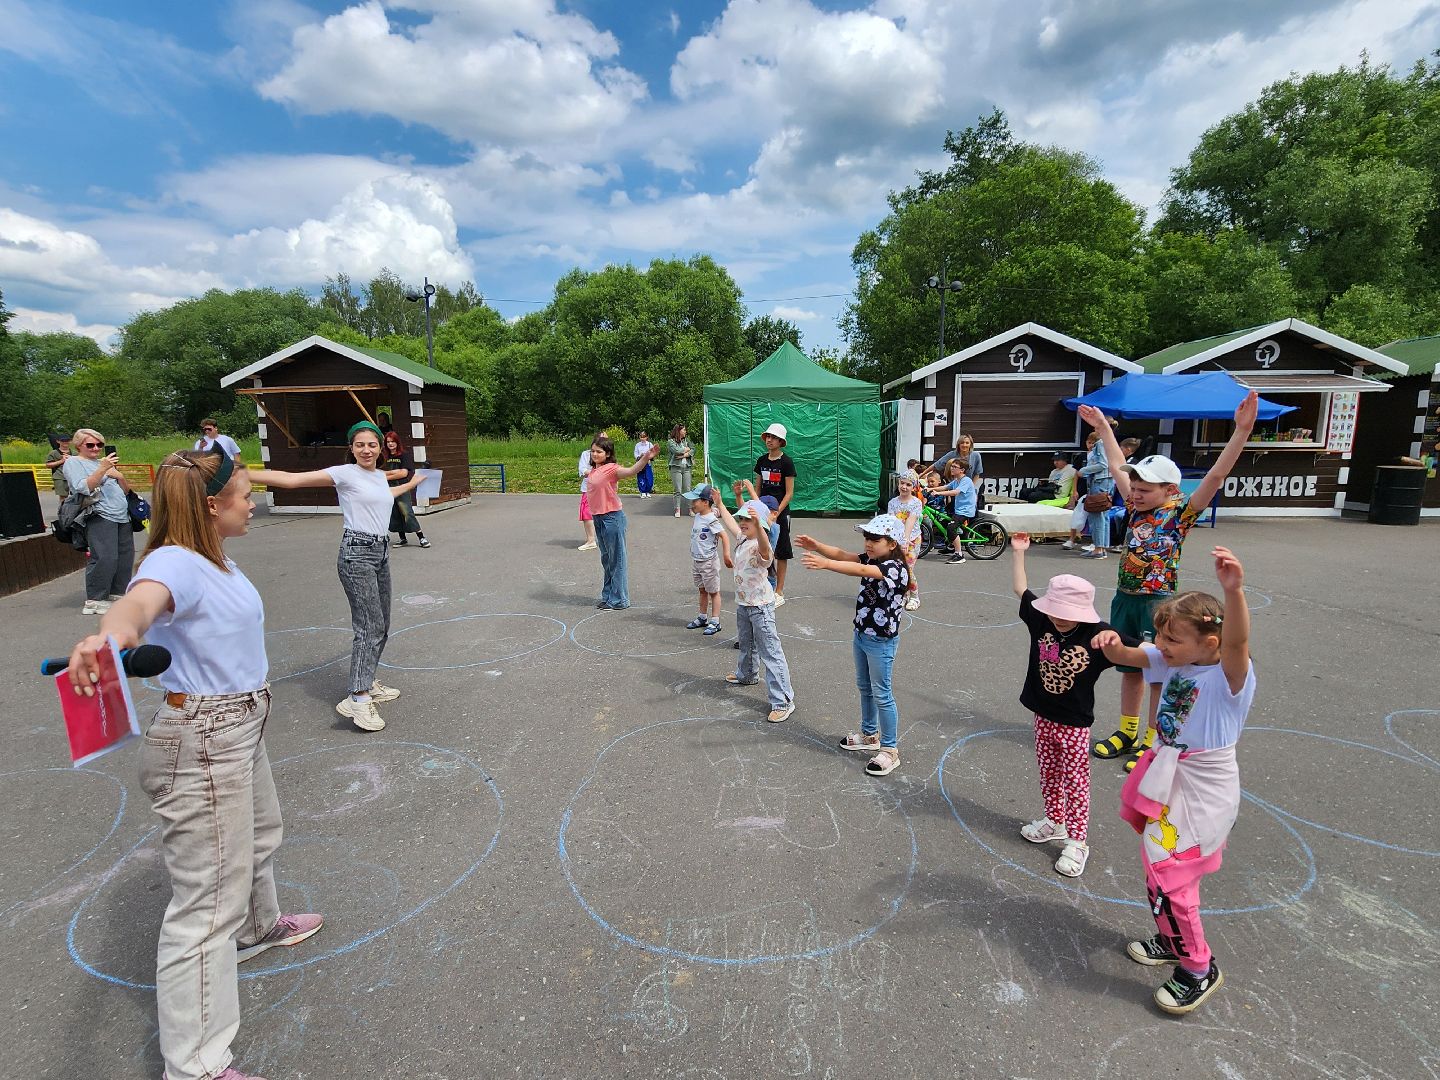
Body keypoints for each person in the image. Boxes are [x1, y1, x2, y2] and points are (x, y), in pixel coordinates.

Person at [64, 447, 322, 1080]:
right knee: (205, 907)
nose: (252, 503)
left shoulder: (216, 559)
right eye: (242, 495)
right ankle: (197, 1065)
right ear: (211, 506)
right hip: (205, 737)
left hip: (241, 724)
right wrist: (108, 639)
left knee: (261, 836)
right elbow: (138, 606)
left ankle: (260, 927)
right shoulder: (174, 561)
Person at [1091, 546, 1255, 1015]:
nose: (1163, 646)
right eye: (1161, 636)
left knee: (1172, 875)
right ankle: (1171, 939)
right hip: (1169, 779)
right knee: (1156, 864)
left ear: (1211, 640)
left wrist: (1233, 592)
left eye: (1173, 638)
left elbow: (1239, 644)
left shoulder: (1229, 679)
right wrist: (1110, 644)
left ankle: (1198, 968)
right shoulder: (1174, 662)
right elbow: (1130, 654)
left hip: (1203, 789)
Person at [1079, 394, 1258, 771]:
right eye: (1136, 485)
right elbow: (1116, 465)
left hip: (1157, 602)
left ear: (1171, 491)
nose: (1137, 491)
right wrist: (1102, 428)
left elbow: (1215, 476)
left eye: (1147, 487)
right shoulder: (1133, 506)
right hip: (1125, 598)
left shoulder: (1180, 515)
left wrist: (1241, 432)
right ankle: (1127, 730)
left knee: (1158, 671)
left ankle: (1152, 738)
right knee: (1129, 667)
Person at [250, 421, 424, 732]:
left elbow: (386, 494)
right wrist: (239, 474)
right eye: (360, 445)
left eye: (372, 444)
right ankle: (357, 699)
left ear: (380, 448)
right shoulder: (344, 474)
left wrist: (413, 483)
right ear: (351, 448)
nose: (366, 450)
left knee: (382, 624)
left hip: (380, 551)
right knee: (368, 627)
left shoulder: (375, 477)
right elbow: (290, 480)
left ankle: (367, 682)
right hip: (357, 553)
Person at [1009, 533, 1133, 877]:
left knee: (1076, 781)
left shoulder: (1098, 633)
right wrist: (1019, 553)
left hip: (1075, 724)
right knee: (1049, 774)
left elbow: (1140, 653)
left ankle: (1078, 841)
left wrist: (1120, 646)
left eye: (1069, 614)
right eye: (1057, 611)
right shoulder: (1041, 620)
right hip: (1042, 715)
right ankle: (1055, 821)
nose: (1061, 619)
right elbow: (1021, 590)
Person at [796, 514, 909, 776]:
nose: (868, 544)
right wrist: (818, 546)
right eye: (867, 538)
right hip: (861, 634)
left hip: (881, 641)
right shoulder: (873, 558)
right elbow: (844, 554)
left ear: (892, 543)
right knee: (864, 687)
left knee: (882, 693)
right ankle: (870, 735)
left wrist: (825, 564)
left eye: (875, 539)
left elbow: (859, 570)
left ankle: (890, 749)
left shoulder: (895, 567)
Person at [715, 497, 795, 723]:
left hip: (761, 608)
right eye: (742, 519)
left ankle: (783, 700)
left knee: (771, 651)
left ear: (759, 523)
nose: (742, 523)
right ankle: (747, 674)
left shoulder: (763, 544)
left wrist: (759, 526)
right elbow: (730, 524)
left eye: (747, 520)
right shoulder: (742, 539)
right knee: (747, 644)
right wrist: (720, 504)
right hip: (744, 604)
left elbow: (766, 553)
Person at [63, 428, 135, 615]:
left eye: (99, 445)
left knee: (124, 556)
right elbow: (82, 487)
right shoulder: (74, 462)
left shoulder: (104, 463)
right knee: (104, 556)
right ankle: (95, 598)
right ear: (79, 445)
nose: (95, 448)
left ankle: (117, 592)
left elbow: (126, 491)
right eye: (90, 445)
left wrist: (120, 476)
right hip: (98, 513)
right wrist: (103, 469)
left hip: (121, 514)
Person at [586, 434, 660, 610]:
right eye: (593, 451)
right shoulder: (595, 470)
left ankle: (619, 599)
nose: (595, 454)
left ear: (608, 453)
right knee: (606, 559)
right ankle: (608, 595)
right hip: (599, 518)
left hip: (612, 517)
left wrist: (645, 457)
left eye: (599, 451)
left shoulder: (611, 469)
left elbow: (632, 471)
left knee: (616, 559)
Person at [754, 422, 796, 606]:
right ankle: (764, 586)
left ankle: (779, 591)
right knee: (762, 549)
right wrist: (757, 508)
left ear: (781, 441)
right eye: (767, 437)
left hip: (780, 513)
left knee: (781, 551)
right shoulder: (761, 461)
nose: (769, 440)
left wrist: (777, 512)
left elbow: (789, 493)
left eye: (773, 437)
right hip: (763, 513)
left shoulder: (786, 462)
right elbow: (757, 488)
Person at [682, 484, 729, 636]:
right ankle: (702, 617)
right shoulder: (699, 515)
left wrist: (726, 555)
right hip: (697, 560)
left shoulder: (711, 519)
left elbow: (724, 536)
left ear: (705, 502)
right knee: (702, 590)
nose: (692, 504)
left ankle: (715, 621)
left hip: (709, 561)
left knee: (713, 592)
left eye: (695, 501)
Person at [382, 429, 429, 548]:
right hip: (388, 488)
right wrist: (392, 472)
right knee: (395, 512)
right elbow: (378, 472)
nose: (390, 444)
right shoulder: (384, 456)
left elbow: (403, 473)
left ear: (397, 442)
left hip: (402, 486)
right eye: (388, 442)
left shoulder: (404, 455)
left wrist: (386, 474)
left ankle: (421, 537)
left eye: (392, 441)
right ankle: (402, 539)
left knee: (407, 511)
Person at [887, 470, 924, 610]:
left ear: (913, 487)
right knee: (897, 569)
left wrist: (905, 540)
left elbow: (911, 520)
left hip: (912, 540)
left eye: (908, 484)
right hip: (896, 540)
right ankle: (903, 595)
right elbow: (891, 522)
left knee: (908, 569)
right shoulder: (892, 502)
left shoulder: (916, 503)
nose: (904, 487)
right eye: (902, 483)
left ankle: (915, 597)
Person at [1076, 426, 1113, 559]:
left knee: (1096, 514)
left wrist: (1084, 470)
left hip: (1099, 482)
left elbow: (1102, 464)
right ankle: (1102, 548)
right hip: (1107, 482)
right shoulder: (1110, 441)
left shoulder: (1101, 443)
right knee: (1104, 515)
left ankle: (1098, 549)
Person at [934, 458, 977, 564]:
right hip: (958, 510)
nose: (951, 468)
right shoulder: (956, 480)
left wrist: (938, 494)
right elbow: (946, 487)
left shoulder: (966, 480)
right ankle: (951, 546)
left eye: (954, 467)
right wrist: (930, 489)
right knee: (943, 522)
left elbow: (955, 492)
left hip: (965, 511)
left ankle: (959, 555)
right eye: (951, 466)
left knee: (951, 528)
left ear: (962, 470)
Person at [667, 424, 695, 518]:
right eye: (684, 430)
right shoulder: (671, 441)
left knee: (688, 489)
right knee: (677, 489)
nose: (685, 431)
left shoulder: (687, 440)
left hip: (687, 467)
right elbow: (676, 450)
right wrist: (686, 449)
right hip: (676, 467)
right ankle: (677, 509)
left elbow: (693, 449)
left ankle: (690, 509)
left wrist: (685, 455)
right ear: (678, 431)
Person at [577, 442, 598, 551]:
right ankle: (591, 540)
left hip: (604, 489)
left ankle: (606, 539)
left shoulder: (608, 454)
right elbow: (582, 469)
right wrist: (595, 473)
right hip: (589, 487)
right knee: (586, 513)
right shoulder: (586, 454)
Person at [45, 432, 72, 500]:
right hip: (60, 477)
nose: (65, 442)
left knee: (75, 496)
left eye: (67, 440)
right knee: (63, 497)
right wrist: (61, 461)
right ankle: (62, 510)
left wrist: (72, 459)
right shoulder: (53, 453)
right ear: (58, 441)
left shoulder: (75, 453)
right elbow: (48, 465)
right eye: (63, 440)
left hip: (72, 477)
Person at [633, 431, 656, 499]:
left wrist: (649, 456)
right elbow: (635, 453)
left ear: (646, 437)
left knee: (649, 477)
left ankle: (648, 491)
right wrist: (639, 456)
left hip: (648, 463)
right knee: (641, 477)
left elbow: (653, 452)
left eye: (644, 437)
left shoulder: (649, 444)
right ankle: (642, 492)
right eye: (641, 437)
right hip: (640, 463)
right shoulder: (637, 445)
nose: (642, 438)